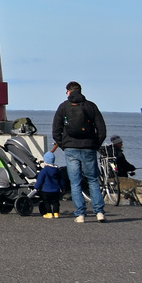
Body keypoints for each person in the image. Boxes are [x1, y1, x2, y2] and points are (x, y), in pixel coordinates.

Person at [52, 81, 107, 223]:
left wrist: (64, 145)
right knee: (93, 180)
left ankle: (80, 214)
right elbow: (102, 130)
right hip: (89, 147)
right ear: (80, 91)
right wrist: (95, 144)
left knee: (75, 182)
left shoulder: (63, 107)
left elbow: (56, 130)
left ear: (69, 92)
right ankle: (99, 212)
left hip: (71, 148)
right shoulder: (90, 106)